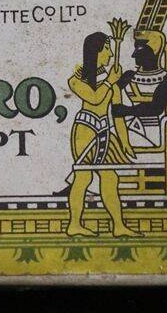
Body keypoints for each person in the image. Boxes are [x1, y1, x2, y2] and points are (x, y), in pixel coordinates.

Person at [67, 32, 139, 237]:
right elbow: (94, 98)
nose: (110, 54)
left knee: (110, 177)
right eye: (107, 48)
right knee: (83, 177)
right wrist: (110, 81)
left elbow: (117, 115)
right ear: (96, 51)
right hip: (85, 130)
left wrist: (125, 142)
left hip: (105, 132)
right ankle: (74, 224)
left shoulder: (112, 84)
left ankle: (119, 226)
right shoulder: (76, 80)